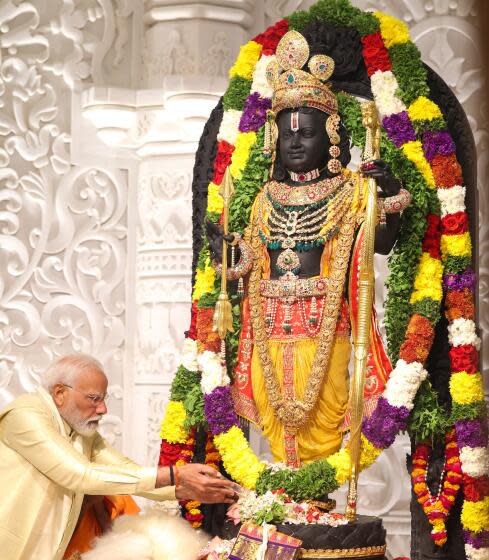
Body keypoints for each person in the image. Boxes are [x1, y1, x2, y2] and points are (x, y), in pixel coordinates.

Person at [206, 30, 410, 468]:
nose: (295, 143)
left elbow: (385, 243)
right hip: (269, 327)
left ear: (331, 137)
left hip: (327, 326)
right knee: (276, 413)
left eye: (308, 134)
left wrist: (387, 195)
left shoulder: (352, 191)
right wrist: (223, 254)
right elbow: (250, 267)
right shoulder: (264, 198)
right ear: (274, 140)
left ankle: (317, 491)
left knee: (327, 410)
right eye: (287, 135)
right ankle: (292, 494)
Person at [0, 354, 238, 560]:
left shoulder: (81, 432)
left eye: (104, 399)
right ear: (60, 393)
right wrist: (176, 475)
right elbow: (80, 475)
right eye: (94, 399)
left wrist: (184, 488)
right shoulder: (25, 415)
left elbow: (126, 470)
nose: (103, 409)